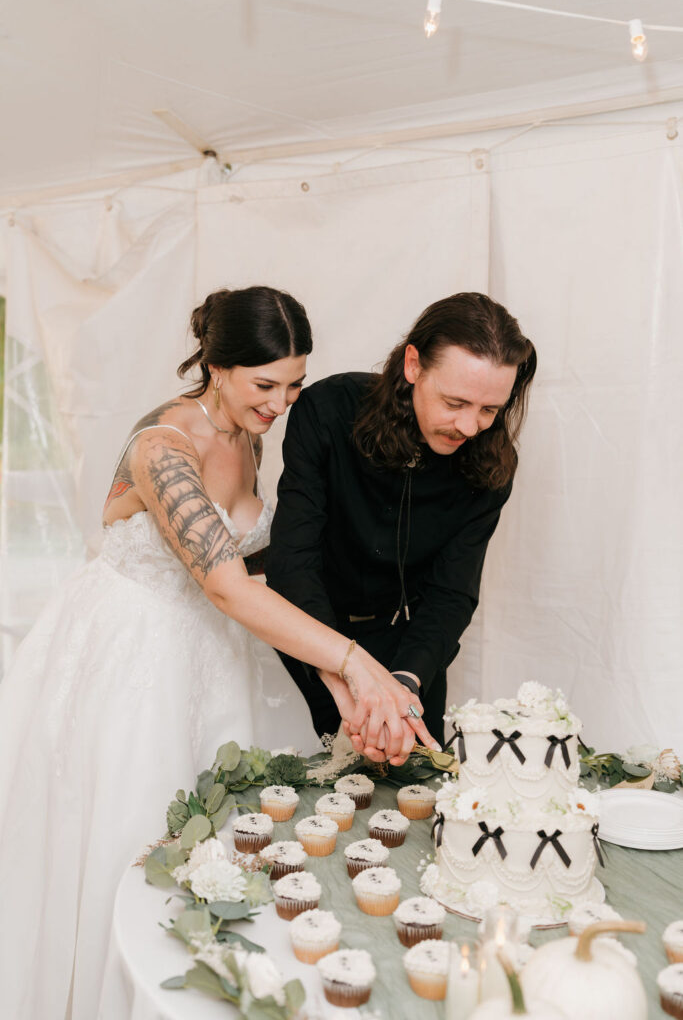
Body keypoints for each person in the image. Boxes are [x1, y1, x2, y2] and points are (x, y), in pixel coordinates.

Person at [0, 285, 435, 1020]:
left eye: (294, 383)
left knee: (221, 840)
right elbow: (227, 583)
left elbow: (251, 569)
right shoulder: (161, 447)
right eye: (265, 384)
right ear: (217, 365)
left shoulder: (249, 435)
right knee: (132, 841)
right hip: (129, 652)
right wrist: (356, 661)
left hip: (209, 648)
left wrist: (339, 678)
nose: (282, 401)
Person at [266, 291, 537, 755]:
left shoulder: (492, 463)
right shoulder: (328, 410)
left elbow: (453, 590)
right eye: (455, 402)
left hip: (412, 650)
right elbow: (293, 561)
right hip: (312, 634)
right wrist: (344, 674)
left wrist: (404, 682)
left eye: (490, 410)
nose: (471, 427)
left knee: (417, 794)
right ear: (414, 365)